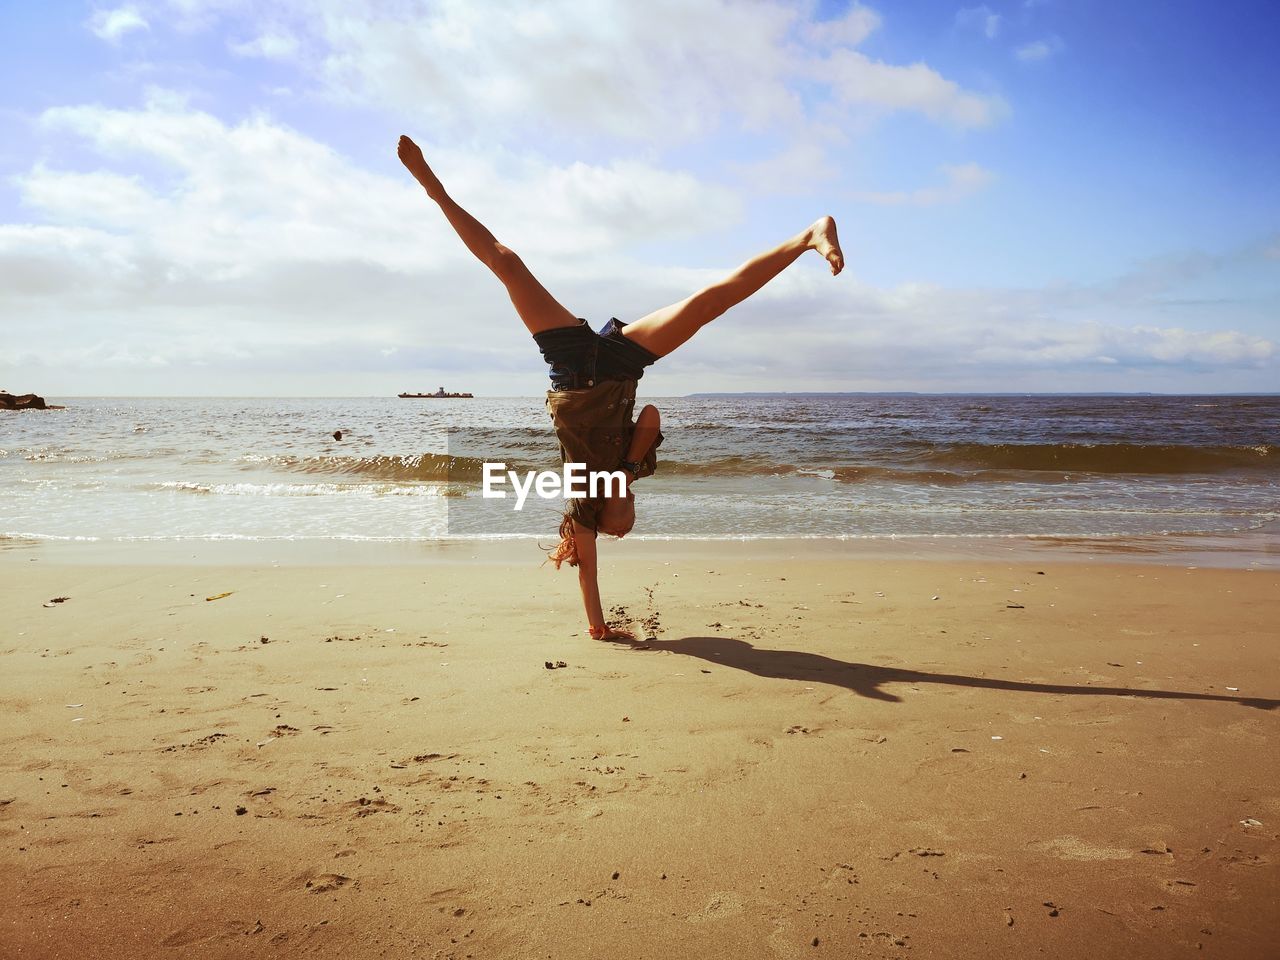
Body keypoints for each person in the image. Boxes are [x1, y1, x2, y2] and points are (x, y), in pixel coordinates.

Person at [397, 135, 844, 640]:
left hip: (569, 368)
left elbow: (588, 573)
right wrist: (628, 472)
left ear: (604, 519)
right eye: (627, 526)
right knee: (706, 306)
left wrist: (598, 627)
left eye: (620, 529)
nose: (627, 527)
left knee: (508, 263)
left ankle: (434, 190)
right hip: (620, 368)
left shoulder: (583, 505)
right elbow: (650, 413)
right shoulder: (637, 468)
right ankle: (808, 236)